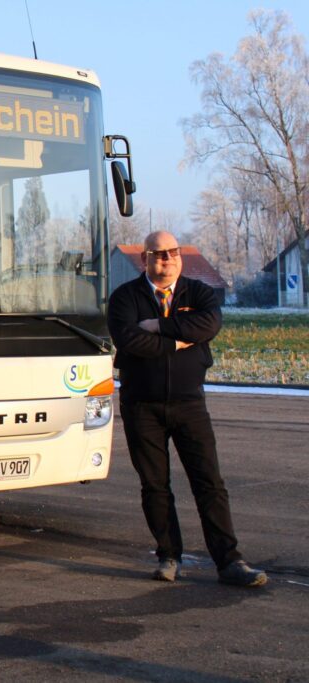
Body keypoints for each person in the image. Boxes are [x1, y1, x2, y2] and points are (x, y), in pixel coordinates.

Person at [107, 231, 267, 587]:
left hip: (189, 403)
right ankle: (168, 556)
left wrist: (160, 326)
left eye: (173, 252)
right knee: (155, 485)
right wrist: (180, 340)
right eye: (159, 253)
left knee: (209, 482)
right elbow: (129, 340)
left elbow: (209, 324)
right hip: (141, 406)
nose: (168, 258)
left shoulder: (199, 293)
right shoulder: (125, 298)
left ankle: (229, 562)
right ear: (145, 259)